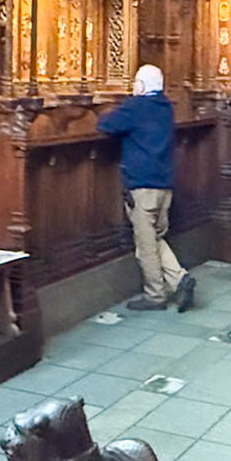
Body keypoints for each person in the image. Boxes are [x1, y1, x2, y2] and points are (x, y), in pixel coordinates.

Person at [98, 65, 196, 313]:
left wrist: (107, 110)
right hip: (165, 185)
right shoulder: (165, 107)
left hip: (142, 186)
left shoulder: (136, 107)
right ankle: (180, 279)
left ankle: (155, 295)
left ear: (141, 85)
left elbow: (106, 125)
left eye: (135, 83)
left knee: (146, 244)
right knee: (154, 237)